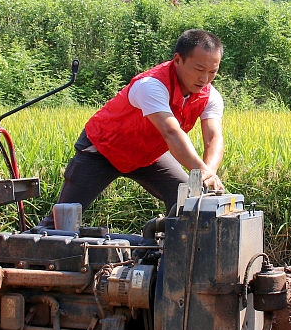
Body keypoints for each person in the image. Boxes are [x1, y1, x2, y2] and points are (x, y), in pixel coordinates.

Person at [47, 29, 225, 220]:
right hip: (103, 150)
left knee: (188, 198)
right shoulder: (151, 85)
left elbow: (213, 137)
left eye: (212, 72)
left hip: (147, 155)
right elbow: (171, 132)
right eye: (199, 69)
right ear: (177, 60)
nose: (204, 79)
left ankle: (174, 238)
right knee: (62, 220)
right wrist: (202, 170)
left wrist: (209, 174)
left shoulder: (210, 96)